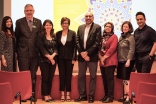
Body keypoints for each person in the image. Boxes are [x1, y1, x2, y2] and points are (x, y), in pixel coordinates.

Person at [15, 4, 42, 102]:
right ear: (24, 11)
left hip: (35, 54)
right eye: (27, 10)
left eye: (31, 10)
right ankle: (24, 95)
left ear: (33, 11)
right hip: (23, 54)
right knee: (23, 76)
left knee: (33, 76)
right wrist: (16, 52)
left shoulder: (38, 22)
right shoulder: (19, 22)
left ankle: (32, 95)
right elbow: (16, 38)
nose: (29, 12)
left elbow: (40, 38)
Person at [75, 12, 101, 103]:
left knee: (93, 77)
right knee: (81, 76)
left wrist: (87, 53)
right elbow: (77, 41)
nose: (88, 18)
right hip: (82, 56)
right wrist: (82, 53)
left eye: (90, 16)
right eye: (86, 16)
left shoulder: (97, 27)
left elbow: (97, 42)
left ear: (93, 18)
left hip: (92, 57)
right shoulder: (80, 27)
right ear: (84, 18)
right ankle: (82, 95)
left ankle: (91, 96)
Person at [56, 17, 76, 102]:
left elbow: (75, 47)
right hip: (60, 58)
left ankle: (68, 93)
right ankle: (62, 93)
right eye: (63, 23)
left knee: (68, 76)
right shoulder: (57, 33)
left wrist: (74, 57)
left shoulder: (73, 33)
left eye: (66, 23)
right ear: (61, 24)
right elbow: (56, 46)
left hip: (69, 58)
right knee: (62, 76)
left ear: (69, 24)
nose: (65, 24)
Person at [38, 19, 57, 102]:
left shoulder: (54, 36)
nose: (48, 26)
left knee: (50, 79)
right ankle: (45, 95)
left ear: (52, 26)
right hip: (44, 61)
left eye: (50, 25)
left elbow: (57, 48)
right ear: (44, 26)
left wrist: (52, 57)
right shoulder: (40, 36)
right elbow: (42, 49)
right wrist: (50, 58)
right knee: (45, 79)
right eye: (46, 25)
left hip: (53, 60)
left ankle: (49, 94)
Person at [98, 22, 118, 103]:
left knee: (109, 79)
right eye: (106, 26)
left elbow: (112, 49)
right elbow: (98, 48)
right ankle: (106, 95)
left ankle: (110, 97)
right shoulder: (102, 37)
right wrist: (100, 58)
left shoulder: (114, 37)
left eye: (109, 27)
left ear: (112, 28)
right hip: (102, 61)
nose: (108, 28)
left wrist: (104, 58)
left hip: (110, 60)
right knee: (104, 79)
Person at [117, 21, 135, 104]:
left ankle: (128, 97)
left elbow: (132, 49)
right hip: (121, 61)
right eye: (124, 26)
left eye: (126, 27)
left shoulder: (130, 37)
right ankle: (124, 95)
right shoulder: (121, 37)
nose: (125, 28)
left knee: (127, 79)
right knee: (123, 79)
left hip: (128, 61)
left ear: (130, 28)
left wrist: (128, 60)